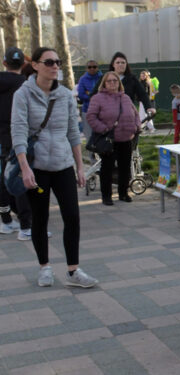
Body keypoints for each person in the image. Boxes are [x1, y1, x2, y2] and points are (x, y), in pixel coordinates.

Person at [11, 47, 98, 288]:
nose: (55, 66)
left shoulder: (66, 96)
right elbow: (18, 132)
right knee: (40, 218)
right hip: (36, 168)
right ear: (36, 65)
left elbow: (73, 132)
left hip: (63, 166)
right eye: (49, 62)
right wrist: (25, 168)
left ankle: (73, 271)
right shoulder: (23, 94)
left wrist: (80, 166)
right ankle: (44, 267)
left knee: (72, 216)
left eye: (58, 62)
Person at [86, 71, 140, 205]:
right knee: (107, 169)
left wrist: (135, 128)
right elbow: (91, 117)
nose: (112, 83)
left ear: (119, 83)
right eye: (109, 81)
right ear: (104, 83)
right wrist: (104, 129)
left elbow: (135, 114)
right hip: (108, 140)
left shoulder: (125, 97)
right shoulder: (98, 98)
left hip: (126, 138)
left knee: (125, 168)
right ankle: (106, 196)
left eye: (115, 81)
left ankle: (123, 193)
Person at [0, 47, 33, 241]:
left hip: (1, 138)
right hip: (19, 137)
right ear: (23, 64)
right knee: (21, 177)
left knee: (2, 180)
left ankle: (5, 221)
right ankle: (26, 225)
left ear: (4, 63)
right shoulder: (26, 85)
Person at [92, 52, 155, 119]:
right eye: (118, 62)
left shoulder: (132, 79)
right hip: (108, 117)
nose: (120, 65)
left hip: (127, 115)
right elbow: (94, 95)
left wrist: (148, 107)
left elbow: (142, 94)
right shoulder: (105, 78)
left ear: (126, 64)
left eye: (123, 63)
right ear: (113, 64)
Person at [76, 59, 102, 139]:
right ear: (86, 68)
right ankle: (91, 151)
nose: (92, 69)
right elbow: (81, 94)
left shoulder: (103, 78)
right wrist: (94, 97)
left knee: (102, 134)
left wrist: (89, 94)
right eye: (89, 67)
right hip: (87, 110)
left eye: (94, 67)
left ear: (97, 68)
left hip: (102, 110)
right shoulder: (83, 79)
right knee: (89, 135)